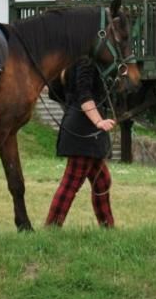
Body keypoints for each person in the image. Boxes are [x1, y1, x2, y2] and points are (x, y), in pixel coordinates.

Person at [45, 57, 117, 228]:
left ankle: (108, 228)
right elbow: (85, 96)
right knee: (71, 183)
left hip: (78, 124)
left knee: (102, 181)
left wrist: (72, 105)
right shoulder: (86, 61)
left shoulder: (67, 60)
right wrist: (98, 121)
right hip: (85, 129)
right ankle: (51, 228)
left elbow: (53, 90)